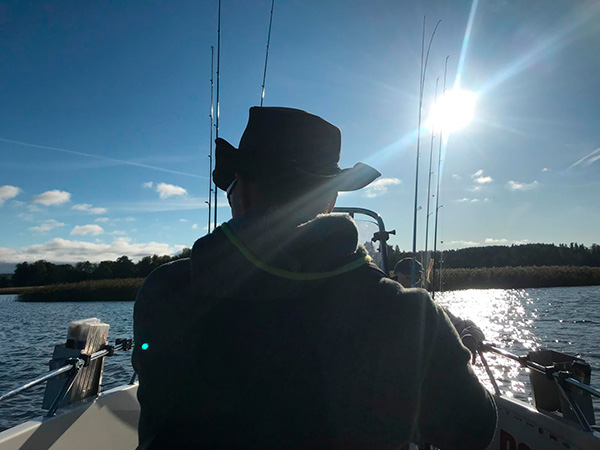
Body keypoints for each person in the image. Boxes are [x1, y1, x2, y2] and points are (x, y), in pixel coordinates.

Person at [132, 107, 497, 449]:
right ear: (331, 199)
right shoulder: (408, 314)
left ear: (242, 188)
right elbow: (474, 430)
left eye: (230, 189)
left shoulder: (165, 291)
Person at [391, 257, 486, 362]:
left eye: (417, 279)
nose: (411, 284)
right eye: (407, 278)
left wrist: (470, 337)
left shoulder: (434, 310)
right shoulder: (385, 311)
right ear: (394, 279)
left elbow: (469, 326)